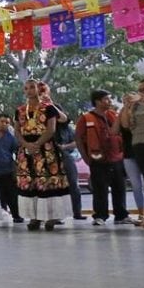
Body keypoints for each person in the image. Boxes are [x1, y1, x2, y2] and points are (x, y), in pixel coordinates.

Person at [14, 80, 71, 231]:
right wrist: (26, 144)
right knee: (30, 181)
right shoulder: (20, 110)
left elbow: (51, 129)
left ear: (38, 89)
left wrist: (37, 143)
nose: (29, 90)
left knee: (47, 181)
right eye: (26, 88)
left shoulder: (48, 108)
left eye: (32, 87)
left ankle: (51, 217)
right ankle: (34, 217)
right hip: (26, 151)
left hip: (46, 149)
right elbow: (17, 131)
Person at [75, 90, 133, 226]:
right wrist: (85, 157)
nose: (110, 101)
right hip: (98, 160)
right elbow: (78, 138)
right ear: (97, 101)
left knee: (120, 188)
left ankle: (121, 215)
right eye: (106, 99)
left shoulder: (113, 115)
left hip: (117, 158)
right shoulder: (86, 118)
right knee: (100, 189)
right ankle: (100, 216)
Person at [38, 82, 84, 221]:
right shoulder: (33, 110)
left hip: (62, 152)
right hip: (44, 151)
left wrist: (50, 104)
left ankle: (77, 212)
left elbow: (64, 119)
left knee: (73, 183)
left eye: (43, 91)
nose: (42, 94)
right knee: (50, 185)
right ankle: (54, 216)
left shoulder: (56, 111)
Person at [119, 78, 144, 229]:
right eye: (140, 90)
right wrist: (127, 107)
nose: (142, 93)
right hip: (139, 145)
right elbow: (126, 124)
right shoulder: (137, 106)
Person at [0, 114, 23, 223]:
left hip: (7, 170)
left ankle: (16, 215)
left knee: (12, 194)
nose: (4, 124)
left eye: (7, 122)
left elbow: (17, 152)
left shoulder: (11, 137)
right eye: (2, 121)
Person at [119, 117, 144, 224]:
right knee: (136, 186)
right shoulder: (124, 113)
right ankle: (141, 214)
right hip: (129, 154)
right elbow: (115, 130)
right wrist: (125, 110)